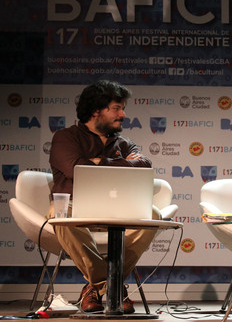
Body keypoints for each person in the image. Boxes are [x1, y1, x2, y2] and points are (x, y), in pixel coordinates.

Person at [47, 80, 160, 314]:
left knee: (153, 213)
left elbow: (145, 164)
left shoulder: (124, 142)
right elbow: (75, 168)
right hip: (73, 207)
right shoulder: (65, 137)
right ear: (96, 110)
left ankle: (94, 287)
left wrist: (101, 162)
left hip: (117, 211)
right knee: (58, 215)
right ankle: (111, 286)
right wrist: (121, 164)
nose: (123, 114)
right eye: (117, 108)